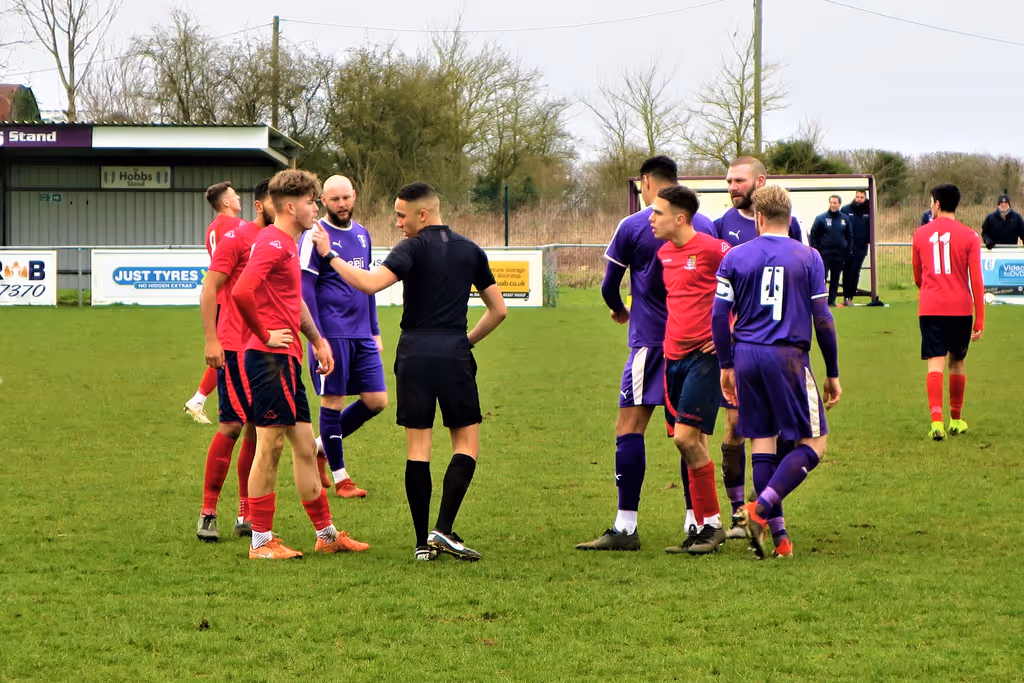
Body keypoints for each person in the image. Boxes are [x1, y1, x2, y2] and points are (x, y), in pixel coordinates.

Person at [309, 181, 506, 562]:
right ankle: (443, 529)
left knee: (418, 451)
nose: (397, 222)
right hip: (452, 351)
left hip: (413, 353)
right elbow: (499, 310)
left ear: (423, 214)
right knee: (466, 446)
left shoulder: (411, 249)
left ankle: (421, 545)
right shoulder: (470, 251)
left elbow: (368, 284)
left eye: (401, 215)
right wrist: (468, 341)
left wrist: (329, 255)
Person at [576, 155, 711, 553]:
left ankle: (625, 527)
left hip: (650, 343)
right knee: (691, 436)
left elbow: (608, 286)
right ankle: (696, 523)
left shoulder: (634, 225)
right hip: (694, 346)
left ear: (647, 181)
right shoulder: (702, 224)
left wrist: (620, 310)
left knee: (629, 427)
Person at [232, 169, 369, 560]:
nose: (317, 207)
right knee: (269, 445)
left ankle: (326, 535)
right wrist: (263, 334)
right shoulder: (273, 242)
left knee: (306, 449)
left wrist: (318, 341)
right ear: (291, 206)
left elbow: (295, 303)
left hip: (288, 360)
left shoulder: (290, 244)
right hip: (268, 360)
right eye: (312, 201)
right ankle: (261, 541)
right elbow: (242, 291)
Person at [712, 185, 842, 559]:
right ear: (790, 218)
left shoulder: (735, 257)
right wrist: (832, 371)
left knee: (763, 442)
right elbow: (823, 318)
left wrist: (725, 364)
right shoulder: (809, 257)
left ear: (758, 217)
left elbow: (720, 316)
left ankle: (778, 537)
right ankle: (761, 508)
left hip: (747, 356)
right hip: (787, 358)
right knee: (814, 443)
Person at [711, 156, 804, 541]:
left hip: (775, 345)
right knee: (735, 427)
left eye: (738, 180)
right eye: (728, 180)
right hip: (739, 348)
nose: (731, 186)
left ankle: (763, 512)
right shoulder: (721, 226)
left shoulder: (789, 226)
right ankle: (739, 513)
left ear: (760, 182)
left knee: (781, 436)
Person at [651, 185, 731, 555]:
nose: (651, 219)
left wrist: (729, 330)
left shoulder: (715, 250)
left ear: (679, 218)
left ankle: (713, 524)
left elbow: (743, 289)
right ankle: (702, 528)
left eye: (657, 213)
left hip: (705, 358)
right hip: (673, 358)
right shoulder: (664, 253)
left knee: (686, 438)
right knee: (690, 442)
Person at [195, 178, 274, 542]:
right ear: (261, 204)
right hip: (236, 344)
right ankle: (208, 512)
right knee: (232, 426)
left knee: (259, 431)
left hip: (269, 348)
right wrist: (212, 339)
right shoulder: (236, 235)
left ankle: (245, 511)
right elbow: (210, 287)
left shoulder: (282, 242)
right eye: (280, 199)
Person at [299, 175, 387, 499]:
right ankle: (341, 479)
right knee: (332, 402)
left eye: (346, 198)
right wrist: (317, 337)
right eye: (334, 199)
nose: (341, 204)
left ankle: (321, 447)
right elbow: (304, 290)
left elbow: (368, 284)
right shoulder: (314, 235)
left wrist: (375, 330)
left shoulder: (363, 234)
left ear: (355, 195)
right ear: (323, 200)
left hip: (362, 333)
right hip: (331, 333)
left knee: (376, 401)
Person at [911, 183, 985, 441]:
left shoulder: (920, 234)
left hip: (931, 307)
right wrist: (980, 320)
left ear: (938, 204)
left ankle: (936, 423)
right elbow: (977, 281)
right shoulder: (970, 236)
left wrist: (931, 290)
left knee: (935, 362)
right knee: (957, 361)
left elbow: (917, 276)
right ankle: (956, 419)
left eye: (932, 202)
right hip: (961, 309)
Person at [184, 181, 245, 424]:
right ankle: (200, 401)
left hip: (220, 298)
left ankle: (198, 400)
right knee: (232, 353)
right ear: (226, 202)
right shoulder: (237, 226)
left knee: (226, 352)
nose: (238, 197)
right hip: (232, 298)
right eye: (234, 195)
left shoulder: (213, 227)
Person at [809, 195, 854, 307]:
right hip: (825, 254)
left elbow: (850, 236)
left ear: (839, 204)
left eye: (835, 203)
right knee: (822, 277)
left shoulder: (845, 219)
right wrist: (816, 249)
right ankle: (820, 301)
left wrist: (848, 250)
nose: (833, 205)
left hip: (839, 254)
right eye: (831, 202)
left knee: (835, 279)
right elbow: (814, 234)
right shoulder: (821, 218)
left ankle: (832, 301)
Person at [841, 190, 871, 306]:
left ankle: (850, 296)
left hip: (861, 247)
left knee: (855, 271)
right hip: (847, 246)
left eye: (861, 197)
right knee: (846, 271)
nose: (859, 199)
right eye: (857, 197)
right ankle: (845, 296)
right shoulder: (846, 210)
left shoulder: (869, 210)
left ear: (865, 198)